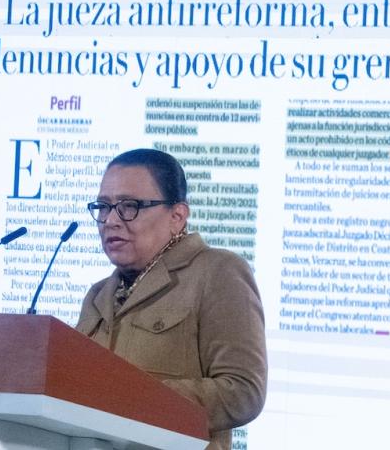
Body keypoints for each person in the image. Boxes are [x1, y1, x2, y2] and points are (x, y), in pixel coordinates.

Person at [75, 149, 267, 450]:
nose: (110, 220)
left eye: (129, 206)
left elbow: (243, 392)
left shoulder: (217, 272)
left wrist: (133, 399)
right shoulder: (97, 295)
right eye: (103, 206)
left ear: (177, 217)